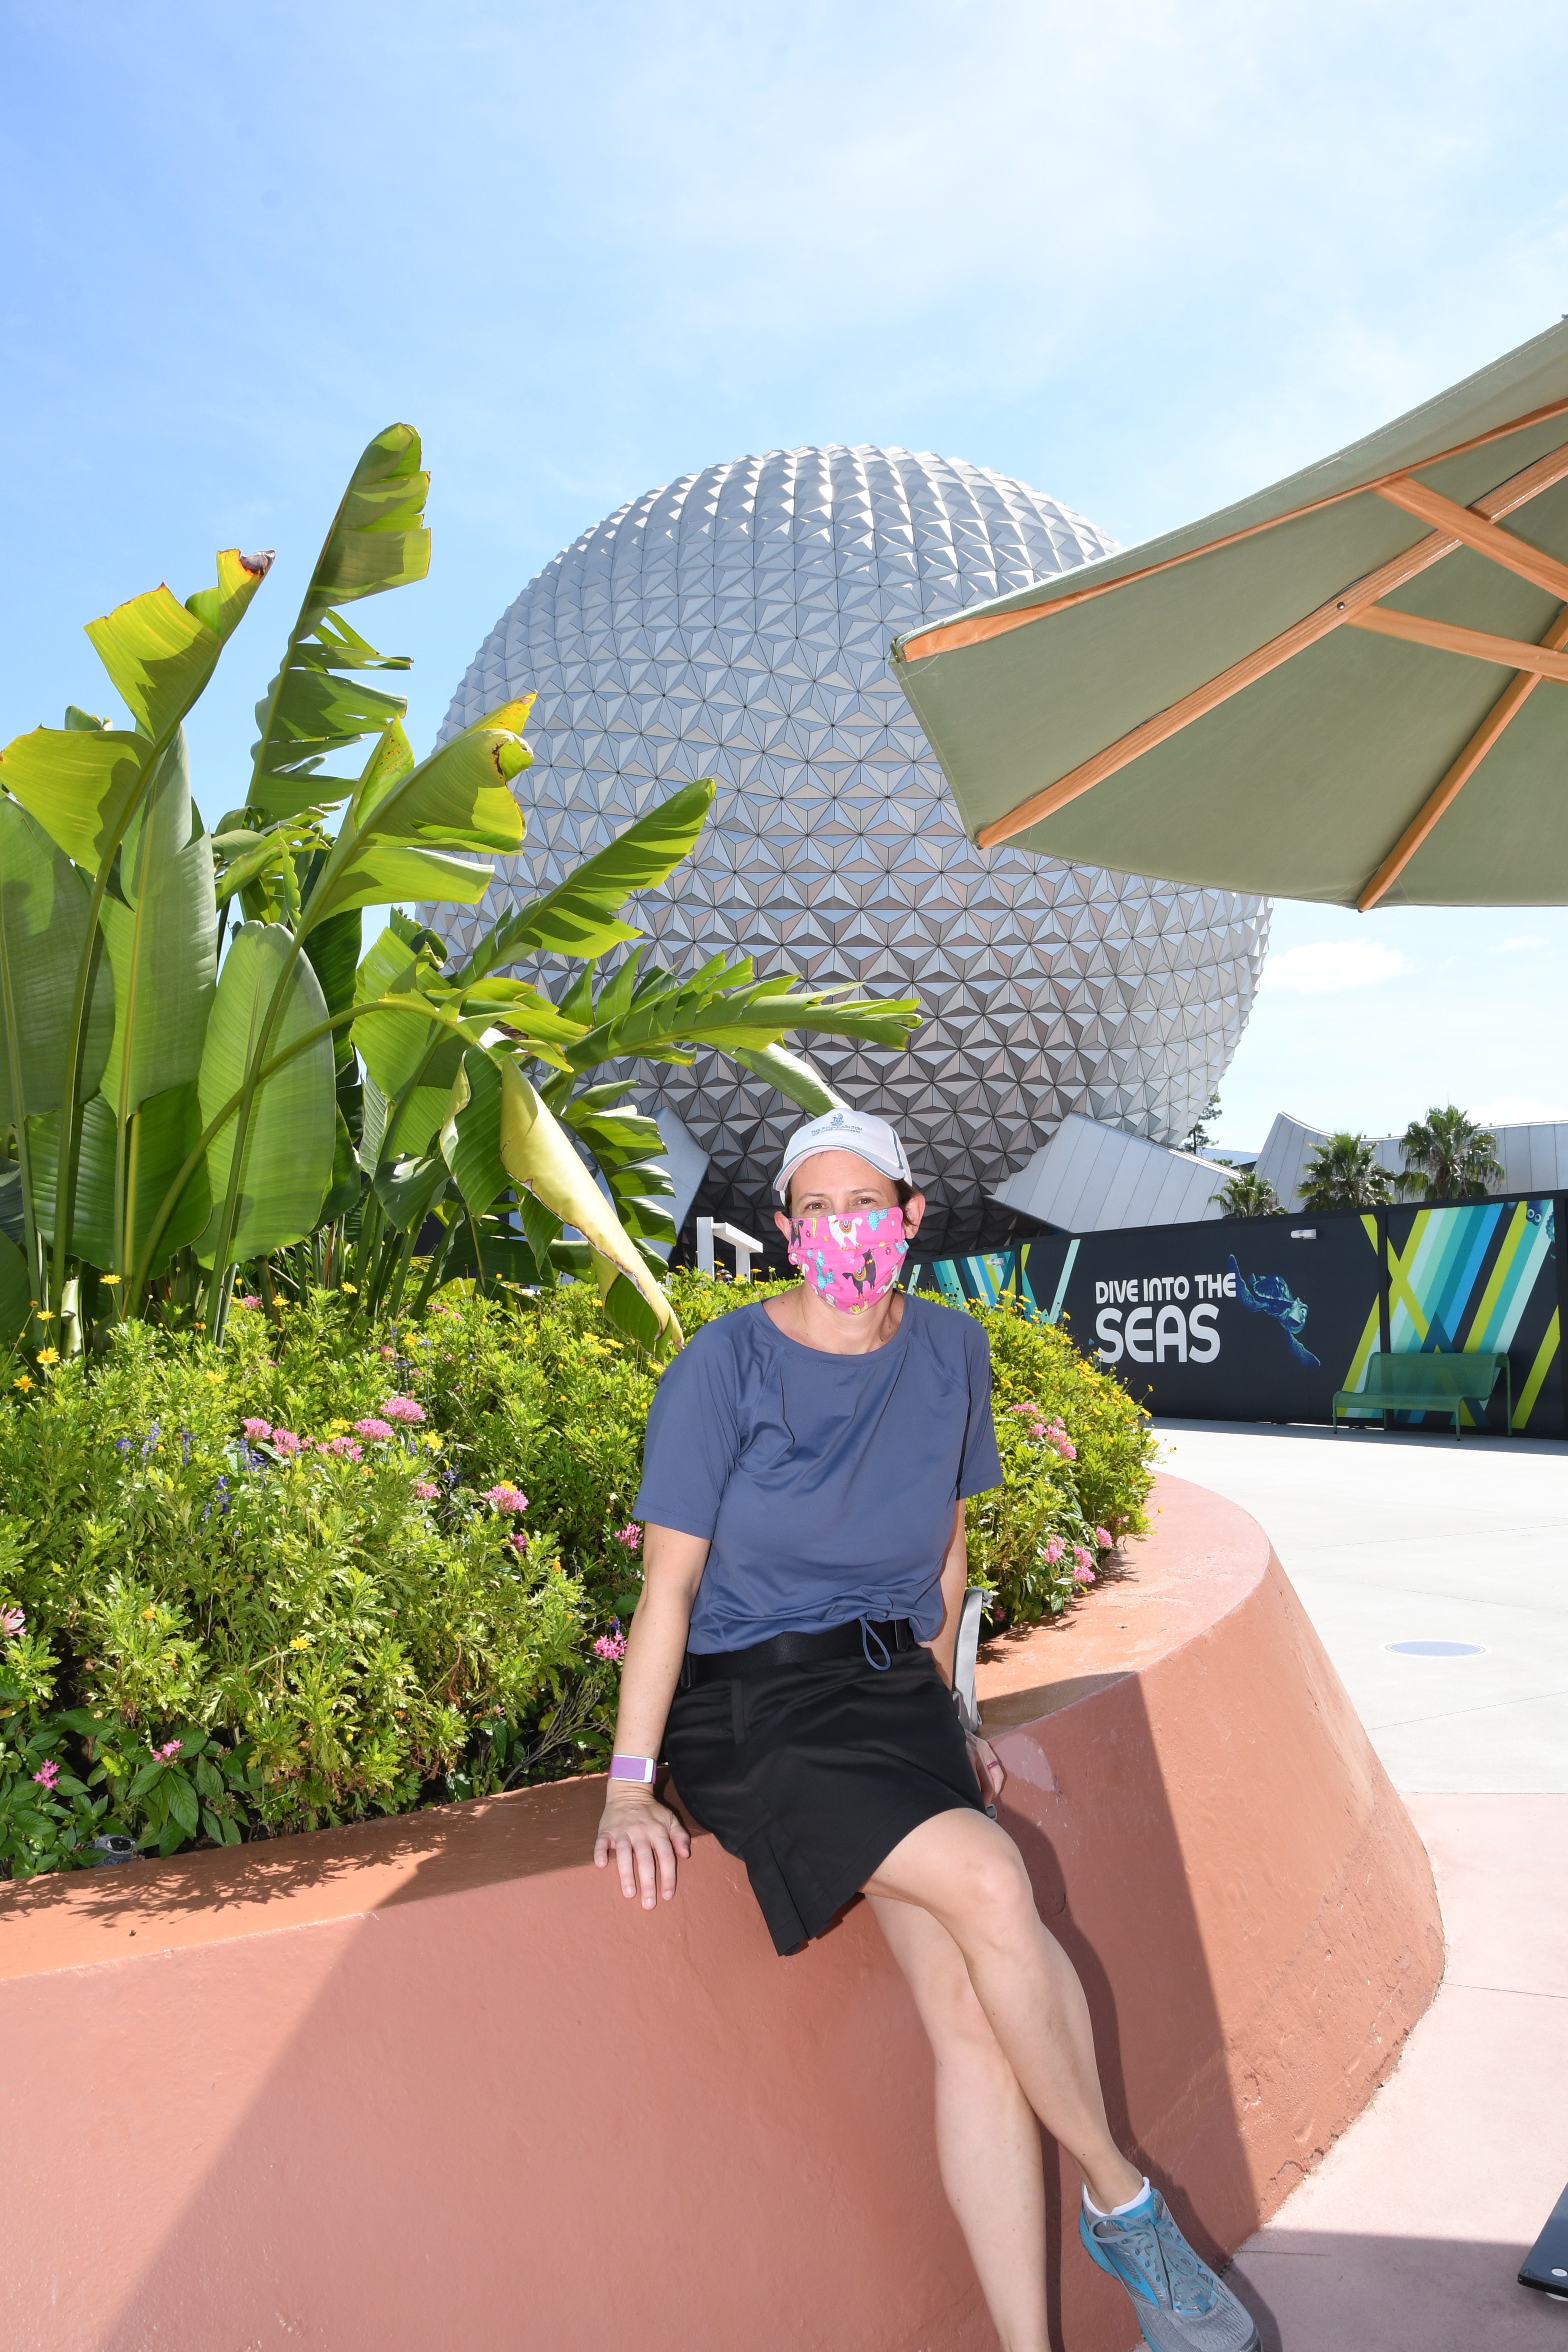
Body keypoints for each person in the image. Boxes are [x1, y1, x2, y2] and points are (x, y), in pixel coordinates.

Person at [594, 1109, 1260, 2352]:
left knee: (970, 2019)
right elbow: (667, 1593)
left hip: (891, 1698)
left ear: (909, 1217)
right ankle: (1124, 2206)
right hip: (757, 1706)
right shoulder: (722, 1366)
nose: (841, 1229)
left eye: (865, 1204)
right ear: (787, 1230)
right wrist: (631, 1784)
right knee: (994, 1882)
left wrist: (954, 1716)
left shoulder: (952, 1350)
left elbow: (945, 1554)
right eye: (816, 1209)